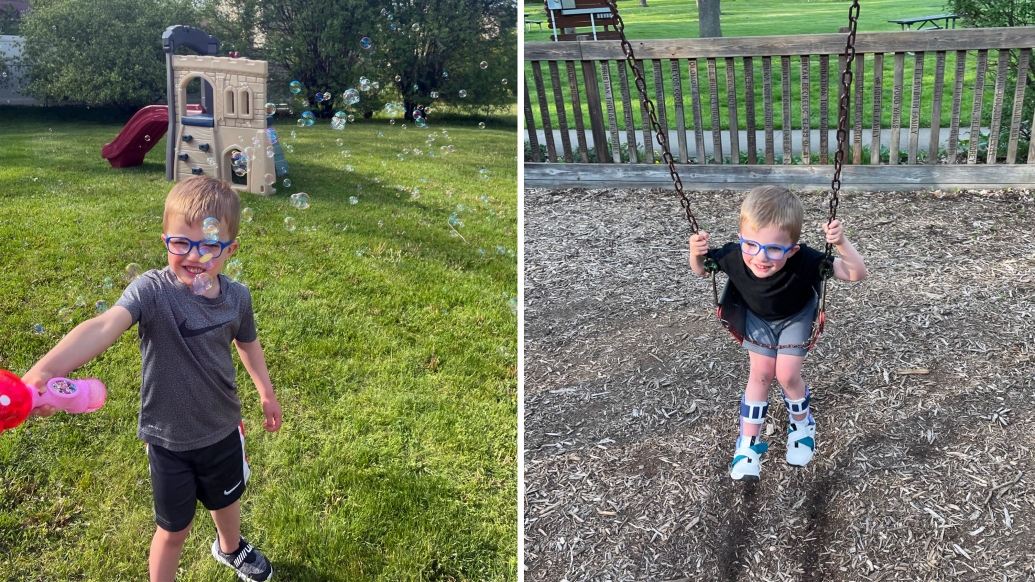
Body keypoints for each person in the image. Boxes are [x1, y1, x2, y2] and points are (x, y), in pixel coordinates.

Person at [23, 176, 282, 581]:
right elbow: (103, 325)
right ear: (165, 240)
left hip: (223, 429)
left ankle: (230, 548)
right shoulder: (151, 291)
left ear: (230, 248)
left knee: (227, 500)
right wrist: (46, 371)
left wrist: (266, 392)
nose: (194, 256)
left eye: (210, 245)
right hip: (168, 440)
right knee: (173, 530)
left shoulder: (238, 298)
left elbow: (248, 344)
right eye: (181, 242)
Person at [688, 186, 866, 482]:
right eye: (752, 245)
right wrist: (696, 253)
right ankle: (748, 446)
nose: (761, 257)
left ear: (792, 250)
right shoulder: (734, 255)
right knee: (759, 374)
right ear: (742, 239)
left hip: (796, 316)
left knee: (785, 375)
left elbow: (856, 273)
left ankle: (802, 426)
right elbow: (702, 270)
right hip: (758, 318)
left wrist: (842, 243)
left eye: (774, 249)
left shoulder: (805, 259)